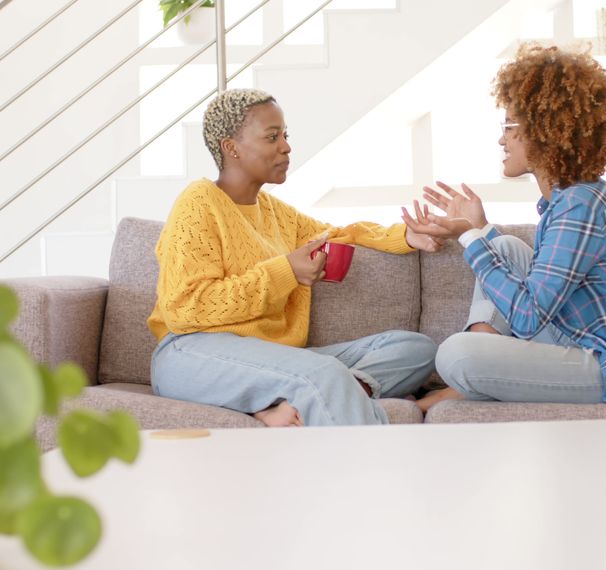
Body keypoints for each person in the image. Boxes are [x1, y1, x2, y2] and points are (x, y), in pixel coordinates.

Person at [403, 44, 606, 412]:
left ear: (543, 130)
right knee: (503, 247)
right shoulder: (570, 198)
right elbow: (544, 292)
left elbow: (528, 315)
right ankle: (484, 376)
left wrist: (470, 237)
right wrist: (476, 228)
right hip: (591, 337)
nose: (501, 139)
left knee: (456, 355)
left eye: (509, 126)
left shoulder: (581, 205)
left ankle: (474, 381)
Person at [148, 88, 441, 427]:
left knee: (414, 348)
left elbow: (341, 233)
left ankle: (301, 398)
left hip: (272, 359)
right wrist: (285, 270)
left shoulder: (276, 213)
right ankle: (361, 450)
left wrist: (406, 235)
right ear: (231, 148)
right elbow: (185, 308)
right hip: (190, 353)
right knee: (325, 374)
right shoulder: (198, 203)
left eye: (285, 136)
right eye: (272, 137)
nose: (286, 147)